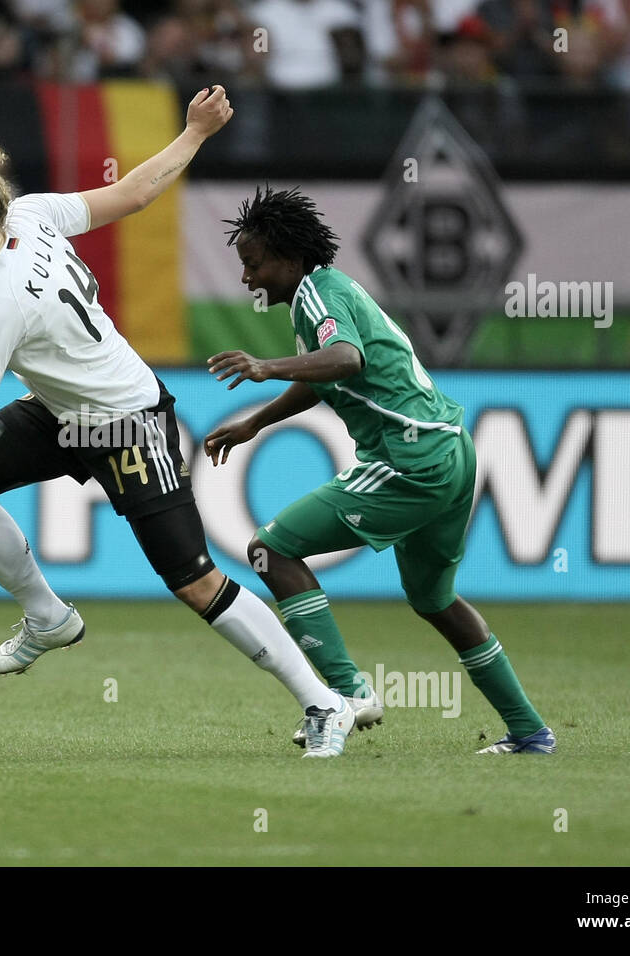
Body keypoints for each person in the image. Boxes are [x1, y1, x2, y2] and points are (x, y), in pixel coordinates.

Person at [0, 90, 355, 758]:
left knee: (197, 582)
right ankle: (48, 615)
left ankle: (324, 704)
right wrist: (195, 133)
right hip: (65, 414)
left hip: (127, 424)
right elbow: (135, 194)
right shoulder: (29, 213)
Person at [203, 185, 555, 754]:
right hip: (452, 453)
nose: (247, 277)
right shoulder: (327, 293)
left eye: (253, 262)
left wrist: (265, 365)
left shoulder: (317, 293)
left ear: (289, 258)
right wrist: (256, 424)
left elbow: (347, 359)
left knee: (271, 550)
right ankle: (530, 731)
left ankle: (347, 691)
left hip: (408, 459)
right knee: (435, 601)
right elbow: (329, 375)